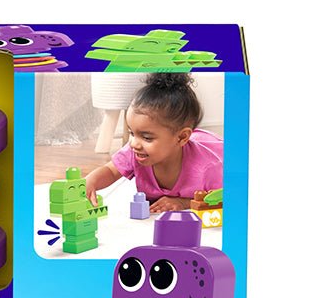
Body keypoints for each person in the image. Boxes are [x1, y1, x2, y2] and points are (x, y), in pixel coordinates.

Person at [85, 73, 223, 212]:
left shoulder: (209, 168)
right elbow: (111, 171)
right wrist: (91, 181)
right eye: (132, 133)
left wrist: (184, 203)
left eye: (147, 138)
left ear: (181, 137)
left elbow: (227, 197)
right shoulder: (135, 152)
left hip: (215, 147)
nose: (134, 144)